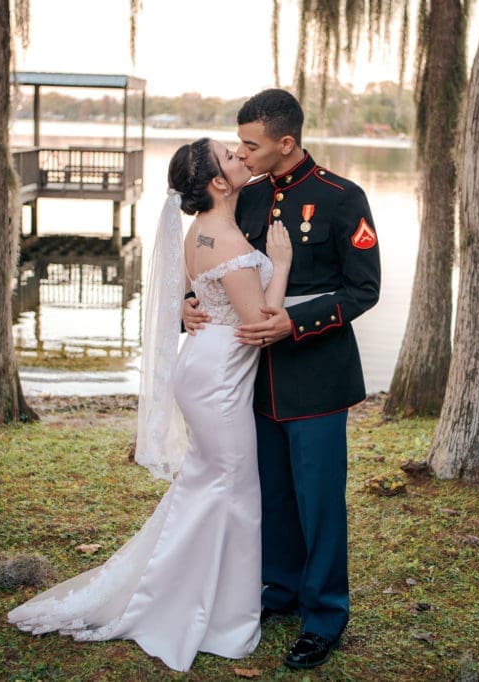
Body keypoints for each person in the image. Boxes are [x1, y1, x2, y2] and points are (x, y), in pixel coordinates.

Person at [8, 138, 292, 673]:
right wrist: (280, 263)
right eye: (231, 156)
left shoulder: (200, 230)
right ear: (217, 183)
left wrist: (192, 306)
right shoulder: (226, 238)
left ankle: (208, 604)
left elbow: (195, 293)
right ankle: (214, 617)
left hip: (206, 364)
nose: (240, 155)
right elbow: (259, 325)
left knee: (211, 489)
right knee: (232, 491)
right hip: (220, 377)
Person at [183, 89, 381, 670]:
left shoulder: (343, 198)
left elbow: (363, 289)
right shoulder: (244, 198)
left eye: (252, 144)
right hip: (251, 374)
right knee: (270, 492)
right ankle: (281, 590)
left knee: (318, 501)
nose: (242, 154)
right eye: (238, 144)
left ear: (285, 143)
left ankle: (323, 616)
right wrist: (187, 306)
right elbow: (216, 268)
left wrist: (293, 321)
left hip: (316, 372)